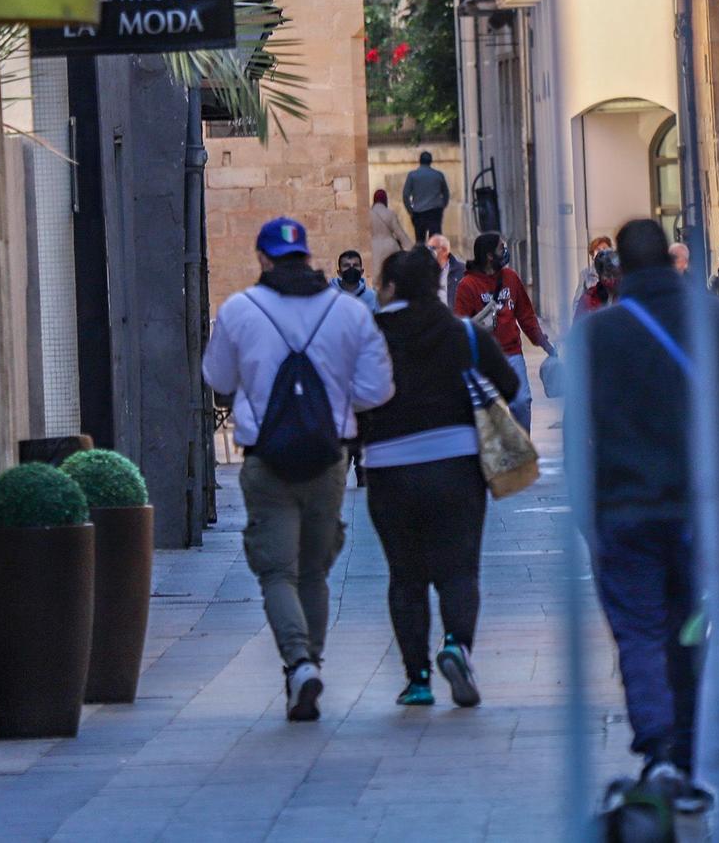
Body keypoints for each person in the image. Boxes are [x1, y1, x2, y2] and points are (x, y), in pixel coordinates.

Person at [573, 218, 719, 810]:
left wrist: (585, 513)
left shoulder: (599, 335)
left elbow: (579, 435)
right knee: (693, 627)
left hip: (623, 508)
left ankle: (658, 749)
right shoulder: (715, 322)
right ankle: (688, 751)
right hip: (700, 509)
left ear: (618, 268)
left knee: (640, 632)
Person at [201, 216, 393, 722]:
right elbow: (377, 390)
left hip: (266, 461)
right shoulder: (347, 313)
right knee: (315, 571)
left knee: (276, 571)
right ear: (309, 257)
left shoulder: (240, 310)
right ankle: (312, 660)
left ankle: (299, 664)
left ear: (264, 259)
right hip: (329, 460)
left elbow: (216, 376)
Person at [362, 248, 520, 709]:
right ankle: (456, 646)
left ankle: (417, 680)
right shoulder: (464, 334)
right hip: (456, 467)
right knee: (459, 569)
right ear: (436, 284)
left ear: (390, 287)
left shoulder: (371, 336)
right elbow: (508, 388)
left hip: (389, 469)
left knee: (405, 577)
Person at [454, 231, 553, 436]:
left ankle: (523, 442)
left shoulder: (511, 278)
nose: (505, 251)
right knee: (484, 411)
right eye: (501, 248)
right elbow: (461, 325)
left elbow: (525, 314)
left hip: (511, 352)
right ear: (490, 255)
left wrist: (542, 341)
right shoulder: (468, 285)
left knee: (522, 401)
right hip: (482, 358)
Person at [402, 150, 450, 243]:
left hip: (419, 213)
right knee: (435, 242)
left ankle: (422, 257)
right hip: (435, 212)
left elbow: (405, 195)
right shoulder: (438, 175)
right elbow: (446, 193)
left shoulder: (412, 175)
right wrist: (442, 206)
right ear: (430, 161)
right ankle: (433, 257)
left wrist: (410, 211)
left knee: (420, 242)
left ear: (420, 161)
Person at [370, 188, 412, 269]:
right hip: (390, 247)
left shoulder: (368, 215)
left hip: (373, 248)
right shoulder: (390, 213)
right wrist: (411, 248)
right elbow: (400, 233)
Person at [575, 248, 620, 320]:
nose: (612, 279)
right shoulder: (589, 297)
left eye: (615, 275)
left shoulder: (628, 295)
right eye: (607, 275)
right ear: (599, 275)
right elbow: (578, 326)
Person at [332, 248, 379, 314]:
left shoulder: (373, 298)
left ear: (362, 272)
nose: (351, 268)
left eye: (355, 265)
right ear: (339, 273)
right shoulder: (329, 297)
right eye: (346, 265)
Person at [426, 233, 466, 307]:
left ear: (444, 250)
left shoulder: (462, 271)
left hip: (452, 316)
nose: (428, 252)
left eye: (432, 248)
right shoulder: (424, 271)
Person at [577, 234, 615, 304]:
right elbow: (578, 301)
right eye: (598, 250)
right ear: (593, 254)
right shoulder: (585, 274)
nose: (602, 252)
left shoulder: (616, 271)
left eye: (604, 248)